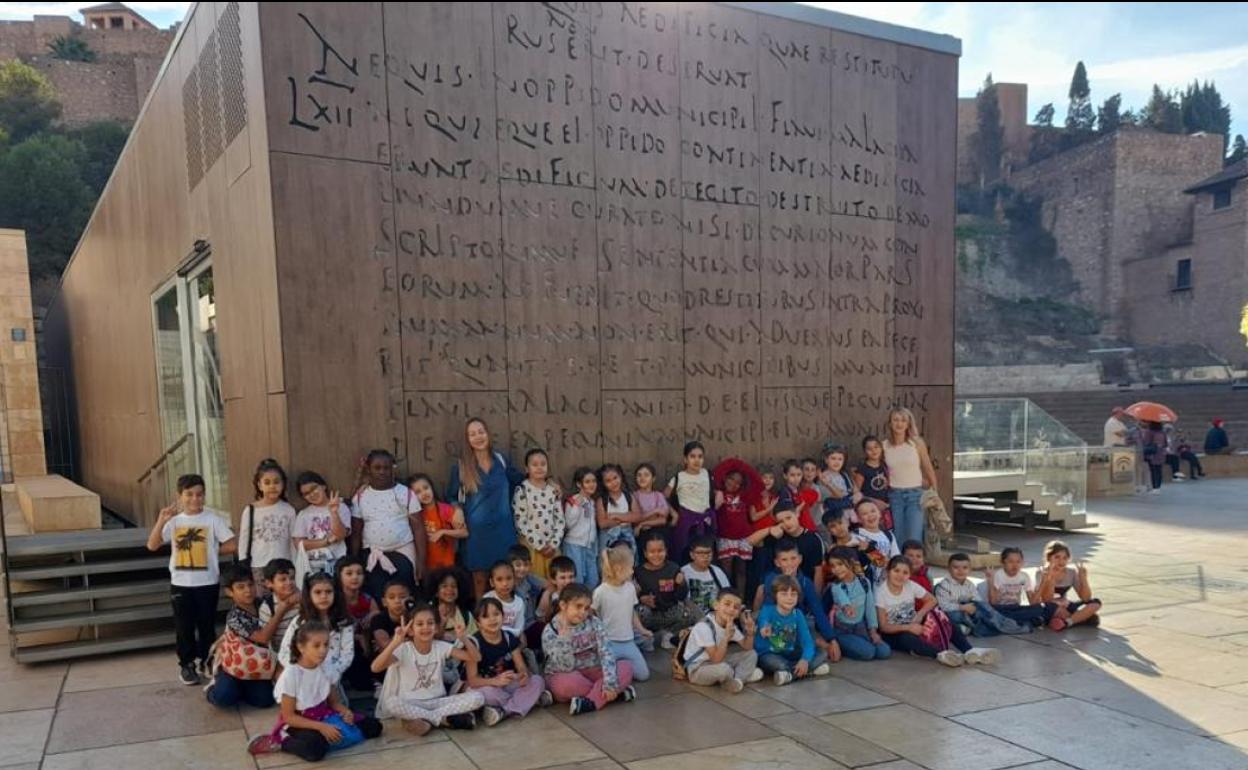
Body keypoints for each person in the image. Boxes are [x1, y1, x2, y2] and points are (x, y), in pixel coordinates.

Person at [147, 473, 237, 685]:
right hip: (181, 583)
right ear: (180, 496)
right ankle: (186, 665)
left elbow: (232, 544)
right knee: (183, 626)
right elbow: (152, 544)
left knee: (206, 625)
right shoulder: (175, 522)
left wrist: (211, 549)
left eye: (199, 494)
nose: (195, 499)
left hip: (207, 582)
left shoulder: (213, 519)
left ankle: (207, 661)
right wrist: (162, 520)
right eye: (189, 494)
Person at [249, 622, 382, 760]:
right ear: (301, 647)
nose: (323, 650)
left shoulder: (325, 668)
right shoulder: (291, 675)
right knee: (315, 749)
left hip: (324, 715)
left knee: (374, 727)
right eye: (316, 646)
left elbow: (334, 703)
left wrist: (346, 712)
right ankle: (282, 742)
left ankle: (332, 738)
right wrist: (322, 727)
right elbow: (289, 717)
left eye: (326, 645)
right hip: (300, 722)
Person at [372, 604, 483, 734]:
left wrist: (463, 638)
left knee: (478, 697)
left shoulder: (441, 647)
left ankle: (429, 718)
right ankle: (440, 718)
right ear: (411, 630)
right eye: (419, 624)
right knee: (391, 703)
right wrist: (395, 643)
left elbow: (476, 658)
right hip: (412, 703)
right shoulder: (404, 649)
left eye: (430, 623)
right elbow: (375, 667)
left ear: (436, 628)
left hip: (438, 701)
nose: (425, 627)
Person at [447, 418, 524, 597]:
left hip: (503, 531)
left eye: (481, 432)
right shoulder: (461, 466)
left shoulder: (501, 460)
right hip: (477, 534)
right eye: (472, 434)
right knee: (480, 580)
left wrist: (550, 482)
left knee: (506, 578)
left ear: (488, 434)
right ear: (467, 439)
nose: (478, 437)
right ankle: (480, 619)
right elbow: (452, 495)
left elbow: (522, 480)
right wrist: (457, 509)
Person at [875, 556, 999, 667]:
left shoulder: (910, 585)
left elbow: (932, 600)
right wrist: (908, 627)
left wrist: (920, 615)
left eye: (905, 573)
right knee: (907, 639)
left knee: (942, 616)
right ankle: (942, 655)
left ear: (910, 575)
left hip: (913, 623)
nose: (900, 576)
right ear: (888, 571)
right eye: (896, 571)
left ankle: (969, 650)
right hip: (894, 632)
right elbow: (884, 627)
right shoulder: (881, 593)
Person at [349, 449, 426, 601]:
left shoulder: (406, 493)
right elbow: (356, 532)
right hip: (373, 554)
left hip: (403, 551)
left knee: (405, 596)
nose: (382, 472)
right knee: (379, 597)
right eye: (377, 468)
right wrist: (354, 560)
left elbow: (418, 529)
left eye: (386, 467)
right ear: (369, 469)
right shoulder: (360, 497)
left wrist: (421, 562)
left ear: (393, 468)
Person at [206, 564, 285, 707]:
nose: (248, 591)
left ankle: (241, 689)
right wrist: (282, 610)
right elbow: (262, 637)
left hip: (258, 665)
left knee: (265, 701)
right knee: (223, 698)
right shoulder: (234, 616)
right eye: (240, 587)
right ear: (230, 592)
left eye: (250, 585)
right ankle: (214, 688)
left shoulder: (263, 604)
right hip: (234, 666)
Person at [466, 597, 550, 726]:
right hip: (488, 685)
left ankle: (503, 711)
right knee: (486, 694)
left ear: (503, 617)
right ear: (478, 623)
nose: (492, 619)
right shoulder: (474, 643)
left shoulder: (508, 638)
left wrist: (523, 675)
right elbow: (472, 680)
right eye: (486, 616)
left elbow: (521, 666)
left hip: (509, 684)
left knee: (537, 681)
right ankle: (525, 702)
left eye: (496, 614)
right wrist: (495, 681)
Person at [752, 539, 839, 659]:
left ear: (800, 559)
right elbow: (768, 609)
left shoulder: (805, 582)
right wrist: (786, 582)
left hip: (798, 622)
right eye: (784, 560)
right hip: (776, 623)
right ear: (777, 563)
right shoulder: (771, 580)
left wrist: (832, 639)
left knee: (810, 626)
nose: (789, 563)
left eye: (793, 558)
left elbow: (817, 610)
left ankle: (817, 644)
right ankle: (815, 644)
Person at [277, 573, 356, 691]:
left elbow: (347, 654)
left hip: (331, 678)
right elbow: (285, 651)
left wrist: (331, 673)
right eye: (318, 592)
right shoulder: (300, 622)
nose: (324, 596)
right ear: (309, 595)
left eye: (328, 592)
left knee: (337, 705)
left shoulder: (343, 622)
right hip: (302, 677)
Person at [755, 574, 831, 685]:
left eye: (793, 594)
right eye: (784, 594)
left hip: (790, 652)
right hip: (769, 653)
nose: (789, 598)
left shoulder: (798, 614)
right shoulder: (768, 610)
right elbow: (763, 621)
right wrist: (764, 628)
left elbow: (807, 641)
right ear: (775, 595)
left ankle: (789, 675)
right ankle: (807, 671)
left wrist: (804, 660)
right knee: (779, 664)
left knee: (822, 653)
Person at [681, 589, 761, 692]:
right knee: (724, 669)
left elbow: (747, 647)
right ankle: (743, 675)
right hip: (698, 669)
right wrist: (726, 637)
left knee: (752, 654)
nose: (731, 609)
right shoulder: (704, 627)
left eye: (736, 607)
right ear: (716, 605)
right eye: (727, 604)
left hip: (718, 661)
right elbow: (716, 659)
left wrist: (750, 633)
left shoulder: (730, 624)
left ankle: (737, 680)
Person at [593, 545, 653, 681]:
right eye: (630, 567)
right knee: (604, 676)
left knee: (643, 675)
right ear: (619, 568)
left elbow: (632, 612)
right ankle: (619, 669)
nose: (632, 571)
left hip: (628, 641)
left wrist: (642, 630)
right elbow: (593, 614)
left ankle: (621, 667)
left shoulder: (630, 588)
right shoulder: (601, 591)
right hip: (608, 643)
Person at [933, 554, 1029, 638]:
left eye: (965, 568)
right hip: (953, 613)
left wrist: (974, 607)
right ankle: (988, 627)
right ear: (949, 569)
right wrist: (962, 607)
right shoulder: (943, 585)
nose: (960, 571)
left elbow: (977, 600)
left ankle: (986, 626)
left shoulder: (969, 584)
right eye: (956, 567)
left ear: (970, 569)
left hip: (971, 612)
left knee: (983, 607)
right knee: (956, 615)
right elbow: (943, 606)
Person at [883, 407, 939, 547]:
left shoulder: (917, 443)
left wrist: (934, 493)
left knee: (914, 536)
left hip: (915, 494)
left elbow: (928, 468)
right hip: (895, 495)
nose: (899, 423)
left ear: (908, 424)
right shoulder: (884, 445)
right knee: (899, 536)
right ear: (890, 423)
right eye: (895, 420)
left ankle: (915, 568)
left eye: (903, 420)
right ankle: (900, 566)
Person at [239, 459, 297, 594]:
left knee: (285, 602)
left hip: (283, 566)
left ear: (283, 484)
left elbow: (293, 541)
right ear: (259, 485)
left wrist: (294, 566)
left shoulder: (289, 510)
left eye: (277, 482)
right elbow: (243, 541)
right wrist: (244, 566)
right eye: (267, 482)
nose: (272, 486)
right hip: (259, 567)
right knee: (264, 605)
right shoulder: (251, 510)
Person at [635, 530, 701, 649]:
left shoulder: (673, 568)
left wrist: (682, 584)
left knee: (688, 614)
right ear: (645, 553)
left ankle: (668, 635)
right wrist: (641, 598)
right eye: (652, 552)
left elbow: (681, 596)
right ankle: (648, 637)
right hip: (650, 616)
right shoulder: (639, 572)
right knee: (640, 611)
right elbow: (632, 597)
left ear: (666, 551)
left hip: (669, 614)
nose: (656, 555)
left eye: (660, 551)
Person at [822, 548, 891, 661]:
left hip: (860, 627)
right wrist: (847, 608)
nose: (836, 569)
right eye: (833, 566)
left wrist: (873, 631)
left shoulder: (864, 582)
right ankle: (840, 644)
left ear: (852, 562)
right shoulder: (836, 586)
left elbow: (870, 608)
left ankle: (856, 644)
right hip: (843, 630)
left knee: (884, 651)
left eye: (840, 564)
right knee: (868, 653)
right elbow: (842, 599)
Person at [746, 501, 824, 596]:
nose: (786, 523)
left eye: (788, 518)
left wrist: (816, 596)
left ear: (797, 514)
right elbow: (750, 541)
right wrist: (769, 530)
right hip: (779, 584)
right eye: (781, 521)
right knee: (761, 588)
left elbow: (818, 571)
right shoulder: (778, 534)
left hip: (804, 584)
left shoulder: (812, 538)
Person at [512, 449, 564, 579]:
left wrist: (553, 543)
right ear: (527, 468)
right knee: (535, 581)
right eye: (534, 464)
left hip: (552, 547)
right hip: (531, 546)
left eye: (543, 464)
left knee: (554, 580)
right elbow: (520, 521)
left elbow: (560, 519)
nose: (539, 467)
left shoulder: (553, 490)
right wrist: (539, 545)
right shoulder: (522, 490)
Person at [292, 472, 350, 579]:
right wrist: (326, 541)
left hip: (337, 563)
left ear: (323, 486)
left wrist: (333, 512)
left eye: (314, 488)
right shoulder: (303, 514)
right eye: (306, 493)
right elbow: (299, 544)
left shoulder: (341, 507)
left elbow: (340, 535)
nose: (312, 494)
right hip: (313, 567)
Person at [664, 441, 715, 560]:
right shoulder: (679, 477)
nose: (696, 460)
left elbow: (714, 491)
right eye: (692, 456)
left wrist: (719, 494)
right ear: (685, 459)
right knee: (684, 554)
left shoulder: (707, 474)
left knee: (705, 554)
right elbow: (663, 497)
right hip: (686, 522)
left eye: (700, 456)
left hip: (705, 522)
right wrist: (673, 513)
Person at [1037, 540, 1103, 631]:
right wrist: (1051, 579)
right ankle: (1081, 618)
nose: (1061, 561)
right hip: (1051, 608)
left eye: (1065, 558)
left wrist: (1084, 579)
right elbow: (1046, 599)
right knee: (1051, 607)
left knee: (1095, 603)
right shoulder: (1041, 573)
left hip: (1066, 605)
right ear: (1049, 558)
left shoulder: (1071, 572)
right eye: (1057, 557)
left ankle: (1067, 622)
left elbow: (1086, 598)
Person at [411, 473, 466, 574]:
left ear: (432, 487)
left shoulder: (445, 509)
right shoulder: (416, 515)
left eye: (426, 488)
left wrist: (443, 532)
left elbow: (464, 532)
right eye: (418, 492)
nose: (424, 493)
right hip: (426, 567)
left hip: (447, 564)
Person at [985, 547, 1048, 627]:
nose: (1015, 565)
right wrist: (990, 581)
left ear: (1022, 563)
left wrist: (1043, 582)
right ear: (1003, 562)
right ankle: (1026, 621)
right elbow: (993, 602)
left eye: (1018, 562)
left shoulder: (1024, 576)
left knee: (1039, 608)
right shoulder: (999, 575)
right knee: (994, 613)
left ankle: (1015, 621)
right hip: (1001, 608)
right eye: (1010, 562)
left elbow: (1032, 602)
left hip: (1016, 608)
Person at [715, 469, 755, 594]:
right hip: (725, 536)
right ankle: (727, 598)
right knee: (726, 570)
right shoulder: (719, 494)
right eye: (731, 479)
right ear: (725, 478)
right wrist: (717, 493)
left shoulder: (743, 496)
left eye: (738, 482)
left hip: (743, 536)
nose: (734, 484)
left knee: (741, 570)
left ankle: (740, 601)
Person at [563, 467, 600, 589]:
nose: (592, 485)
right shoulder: (573, 501)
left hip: (589, 545)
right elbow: (568, 523)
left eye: (594, 481)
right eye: (587, 482)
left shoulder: (592, 502)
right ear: (579, 484)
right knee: (577, 579)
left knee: (593, 580)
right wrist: (576, 507)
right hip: (574, 545)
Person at [258, 560, 301, 664]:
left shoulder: (303, 599)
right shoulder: (267, 607)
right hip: (280, 655)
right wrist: (282, 609)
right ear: (269, 583)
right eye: (283, 579)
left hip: (303, 651)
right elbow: (264, 638)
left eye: (292, 578)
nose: (289, 582)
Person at [597, 463, 642, 555]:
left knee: (629, 561)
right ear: (603, 484)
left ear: (620, 476)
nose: (613, 483)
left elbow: (637, 516)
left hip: (627, 535)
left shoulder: (628, 496)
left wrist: (616, 516)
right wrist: (627, 516)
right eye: (608, 481)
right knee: (608, 564)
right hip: (608, 536)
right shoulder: (602, 500)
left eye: (615, 478)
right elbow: (602, 523)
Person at [681, 535, 730, 616]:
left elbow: (728, 595)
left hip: (716, 616)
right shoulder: (684, 572)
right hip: (692, 617)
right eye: (700, 553)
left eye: (708, 553)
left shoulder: (717, 571)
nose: (705, 556)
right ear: (692, 555)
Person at [854, 499, 899, 586]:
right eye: (864, 514)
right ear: (859, 519)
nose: (870, 515)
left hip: (886, 585)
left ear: (879, 513)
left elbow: (896, 559)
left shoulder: (888, 535)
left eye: (873, 511)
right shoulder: (857, 535)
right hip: (867, 585)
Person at [853, 436, 891, 526]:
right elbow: (856, 493)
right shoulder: (862, 469)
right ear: (865, 452)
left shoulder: (885, 466)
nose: (874, 451)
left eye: (876, 447)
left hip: (885, 508)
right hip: (869, 509)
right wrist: (874, 502)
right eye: (869, 449)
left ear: (881, 448)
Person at [483, 560, 526, 640]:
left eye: (509, 578)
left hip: (511, 641)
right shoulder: (487, 599)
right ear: (492, 582)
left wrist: (501, 630)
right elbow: (485, 626)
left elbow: (519, 630)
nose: (505, 584)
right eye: (499, 579)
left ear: (514, 580)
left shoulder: (519, 603)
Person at [368, 579, 412, 656]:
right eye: (392, 597)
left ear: (410, 600)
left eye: (402, 597)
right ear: (384, 602)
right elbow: (385, 644)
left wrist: (394, 642)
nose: (397, 601)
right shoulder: (378, 619)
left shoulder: (415, 618)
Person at [634, 462, 674, 543]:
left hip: (658, 531)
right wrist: (655, 511)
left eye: (646, 475)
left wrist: (643, 524)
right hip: (641, 533)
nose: (642, 478)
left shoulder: (658, 495)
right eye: (639, 475)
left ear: (653, 478)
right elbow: (636, 518)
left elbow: (663, 520)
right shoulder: (634, 496)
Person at [819, 445, 859, 525]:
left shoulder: (844, 474)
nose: (837, 462)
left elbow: (854, 489)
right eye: (833, 458)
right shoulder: (824, 476)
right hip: (834, 510)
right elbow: (838, 495)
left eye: (840, 459)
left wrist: (856, 494)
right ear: (826, 460)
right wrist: (828, 483)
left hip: (849, 508)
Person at [777, 460, 819, 533]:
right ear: (785, 475)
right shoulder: (785, 492)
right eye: (792, 475)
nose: (796, 478)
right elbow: (790, 513)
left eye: (799, 475)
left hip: (807, 527)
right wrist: (800, 506)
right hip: (795, 529)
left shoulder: (800, 490)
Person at [1140, 421, 1168, 494]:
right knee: (1159, 470)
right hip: (1161, 454)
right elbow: (1166, 444)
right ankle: (1158, 487)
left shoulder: (1149, 432)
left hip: (1152, 454)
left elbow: (1146, 442)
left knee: (1153, 470)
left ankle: (1154, 487)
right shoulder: (1162, 432)